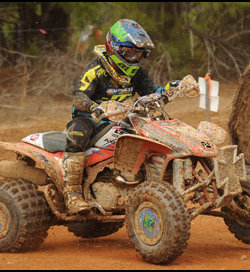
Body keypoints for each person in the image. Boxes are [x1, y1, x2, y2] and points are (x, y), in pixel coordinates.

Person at [63, 19, 178, 215]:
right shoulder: (97, 70)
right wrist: (94, 107)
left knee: (157, 131)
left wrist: (170, 90)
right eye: (129, 52)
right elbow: (78, 96)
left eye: (139, 54)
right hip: (92, 119)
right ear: (113, 47)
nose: (134, 58)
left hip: (124, 119)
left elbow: (152, 93)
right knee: (77, 135)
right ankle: (72, 194)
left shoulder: (137, 72)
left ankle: (153, 184)